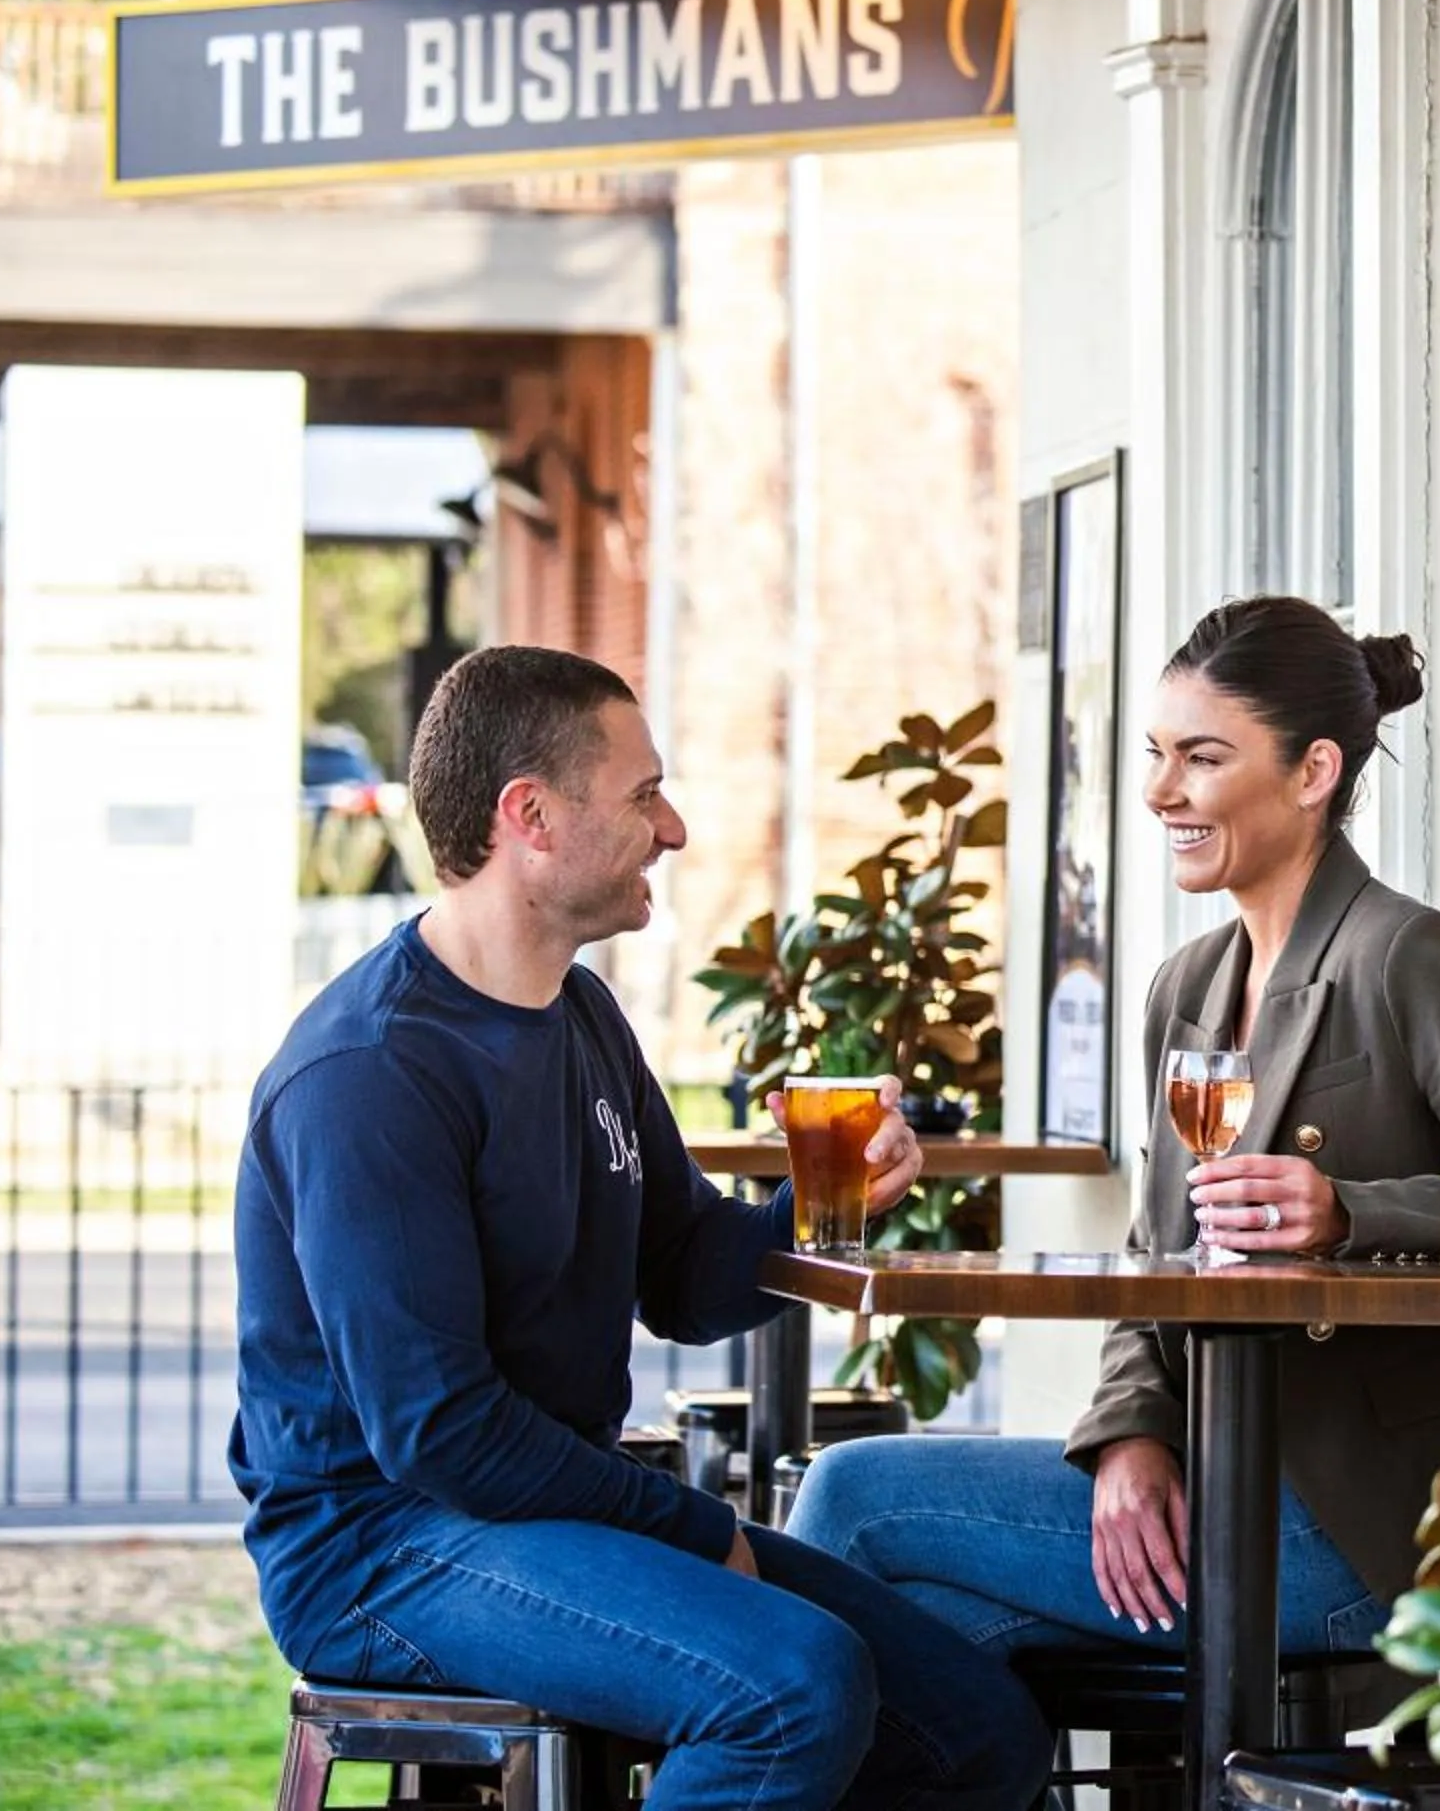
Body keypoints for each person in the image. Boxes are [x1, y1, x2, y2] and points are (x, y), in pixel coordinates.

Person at [228, 646, 1049, 1811]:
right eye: (643, 793)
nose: (671, 829)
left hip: (541, 1513)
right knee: (791, 1688)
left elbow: (684, 1273)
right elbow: (439, 1434)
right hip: (382, 1544)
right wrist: (686, 1522)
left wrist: (826, 1211)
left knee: (977, 1726)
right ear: (532, 817)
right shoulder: (370, 1072)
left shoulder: (580, 1013)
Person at [788, 596, 1440, 1687]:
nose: (1159, 793)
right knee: (920, 1636)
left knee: (852, 1499)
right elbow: (1155, 1268)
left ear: (1313, 770)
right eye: (1154, 755)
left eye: (1200, 757)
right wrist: (1129, 1437)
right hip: (1214, 1469)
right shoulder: (1185, 989)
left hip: (1376, 1527)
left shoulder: (1403, 954)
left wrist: (1355, 1211)